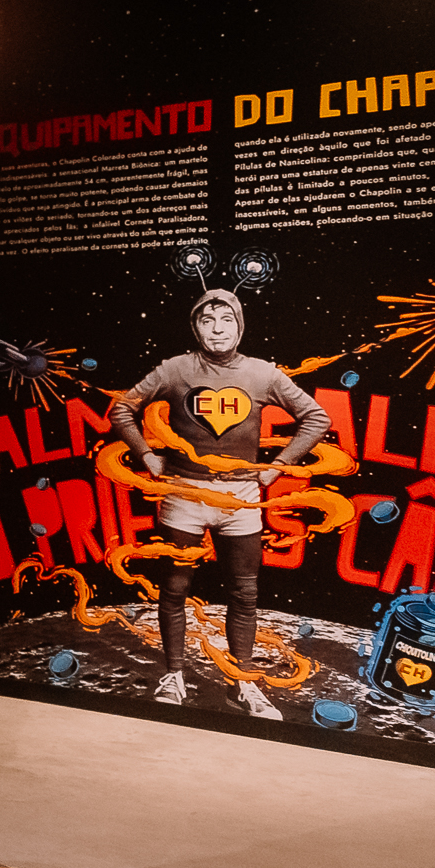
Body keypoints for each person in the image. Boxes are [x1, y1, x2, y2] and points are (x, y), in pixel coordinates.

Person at [101, 288, 329, 719]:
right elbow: (123, 409)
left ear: (240, 325)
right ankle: (174, 675)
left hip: (240, 498)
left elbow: (316, 417)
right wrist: (146, 454)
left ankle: (241, 682)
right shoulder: (175, 368)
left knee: (244, 592)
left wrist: (279, 465)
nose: (218, 330)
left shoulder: (262, 373)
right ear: (196, 327)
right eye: (208, 321)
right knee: (174, 588)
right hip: (184, 494)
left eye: (226, 320)